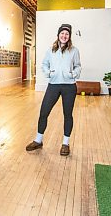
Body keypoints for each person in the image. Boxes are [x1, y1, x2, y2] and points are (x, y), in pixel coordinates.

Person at [26, 23, 81, 156]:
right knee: (44, 112)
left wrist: (72, 74)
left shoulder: (74, 50)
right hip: (53, 85)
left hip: (69, 86)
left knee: (67, 115)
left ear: (69, 36)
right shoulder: (51, 50)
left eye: (67, 34)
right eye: (62, 33)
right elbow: (44, 64)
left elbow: (78, 66)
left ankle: (65, 143)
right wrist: (48, 73)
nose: (64, 36)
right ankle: (38, 140)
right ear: (58, 35)